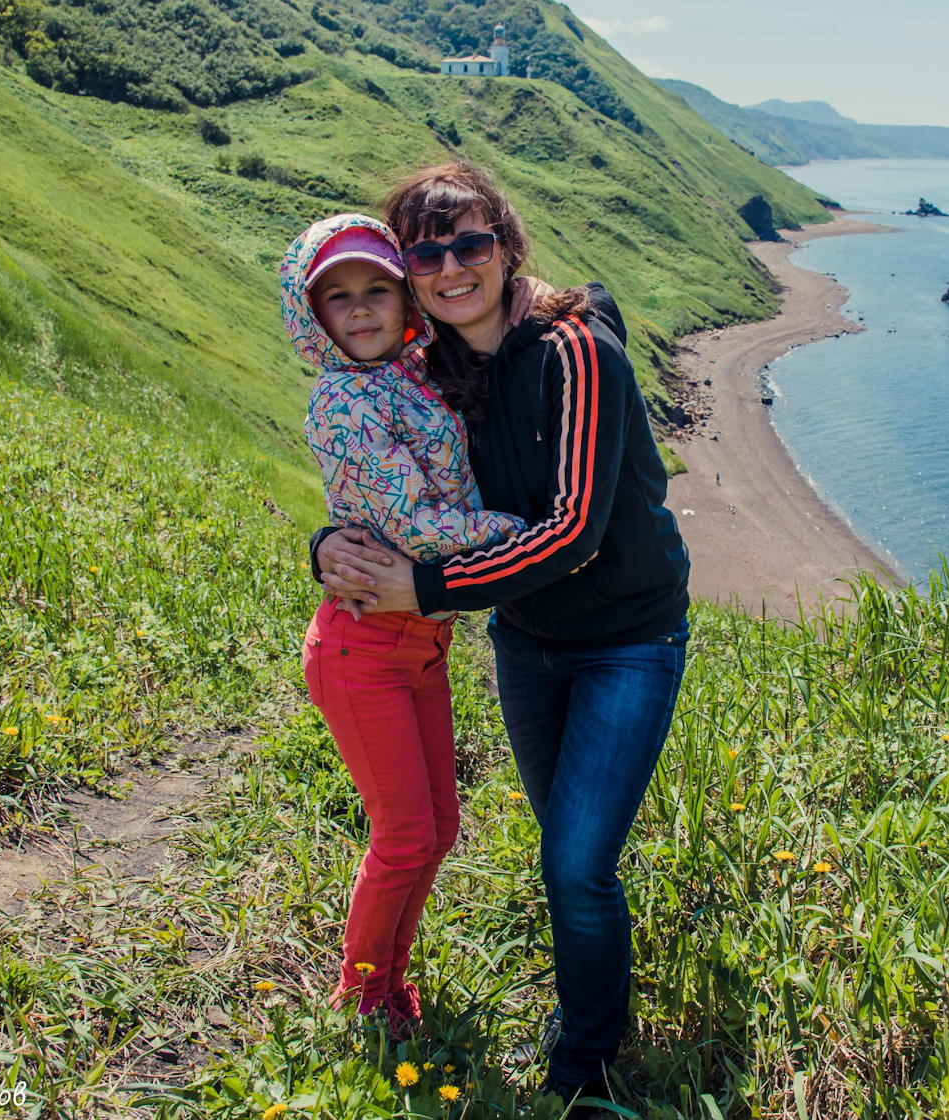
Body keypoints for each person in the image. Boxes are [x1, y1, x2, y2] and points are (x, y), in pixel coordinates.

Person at [312, 161, 689, 1104]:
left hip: (627, 638)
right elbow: (388, 480)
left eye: (469, 243)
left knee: (577, 861)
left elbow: (574, 531)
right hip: (526, 638)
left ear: (508, 246)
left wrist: (425, 586)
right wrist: (330, 544)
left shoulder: (578, 351)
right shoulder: (431, 367)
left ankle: (587, 1061)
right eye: (427, 252)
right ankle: (576, 1012)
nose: (450, 267)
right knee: (564, 850)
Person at [278, 212, 527, 1031]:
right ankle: (361, 997)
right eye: (336, 298)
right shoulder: (344, 399)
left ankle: (390, 983)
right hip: (365, 645)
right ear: (308, 316)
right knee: (403, 834)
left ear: (404, 297)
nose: (358, 311)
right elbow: (416, 524)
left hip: (422, 641)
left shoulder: (418, 370)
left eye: (376, 290)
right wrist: (532, 533)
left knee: (438, 830)